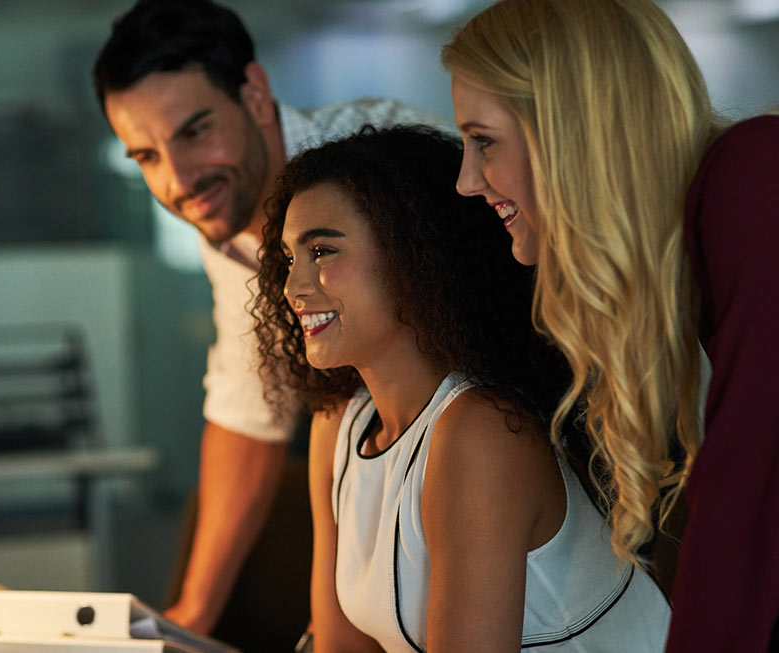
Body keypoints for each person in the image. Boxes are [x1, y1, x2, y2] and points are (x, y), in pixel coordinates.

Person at [90, 0, 444, 646]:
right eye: (146, 156)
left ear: (254, 93)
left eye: (195, 131)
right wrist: (190, 617)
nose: (178, 180)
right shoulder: (229, 226)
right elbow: (249, 404)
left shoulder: (390, 172)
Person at [253, 124, 670, 652]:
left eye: (323, 251)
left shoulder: (481, 432)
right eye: (292, 258)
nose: (293, 287)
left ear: (413, 253)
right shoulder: (338, 426)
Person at [443, 1, 779, 650]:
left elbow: (751, 493)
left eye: (483, 141)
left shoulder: (751, 174)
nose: (466, 180)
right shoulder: (685, 266)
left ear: (571, 130)